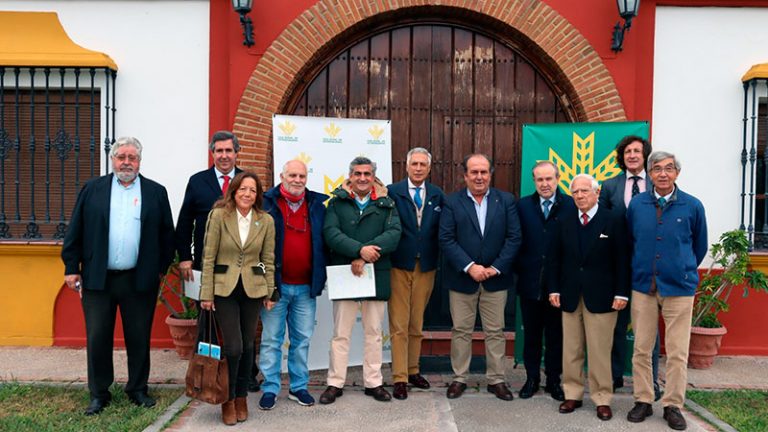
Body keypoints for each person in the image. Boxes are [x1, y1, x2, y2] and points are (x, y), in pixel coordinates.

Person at [61, 136, 174, 415]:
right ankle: (99, 393)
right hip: (99, 278)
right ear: (112, 160)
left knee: (138, 337)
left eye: (132, 157)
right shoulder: (93, 189)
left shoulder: (155, 192)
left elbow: (166, 236)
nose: (126, 162)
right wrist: (70, 267)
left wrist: (157, 269)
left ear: (139, 161)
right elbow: (75, 230)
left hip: (138, 280)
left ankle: (137, 389)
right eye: (121, 156)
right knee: (98, 336)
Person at [626, 151, 707, 431]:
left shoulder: (692, 206)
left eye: (668, 168)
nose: (663, 173)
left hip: (679, 288)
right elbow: (631, 242)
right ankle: (644, 399)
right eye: (657, 168)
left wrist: (681, 268)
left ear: (677, 173)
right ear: (649, 174)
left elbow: (699, 247)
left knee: (677, 351)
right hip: (643, 287)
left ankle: (673, 405)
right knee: (641, 348)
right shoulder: (637, 205)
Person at [439, 154, 521, 401]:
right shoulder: (452, 203)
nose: (479, 177)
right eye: (474, 172)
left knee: (495, 331)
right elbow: (446, 238)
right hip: (462, 279)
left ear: (490, 174)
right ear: (465, 175)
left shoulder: (505, 200)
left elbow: (514, 237)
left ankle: (496, 380)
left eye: (483, 172)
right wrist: (470, 266)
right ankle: (459, 378)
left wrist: (495, 268)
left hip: (495, 279)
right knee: (461, 331)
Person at [319, 156, 402, 404]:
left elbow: (394, 234)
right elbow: (331, 233)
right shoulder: (336, 203)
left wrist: (365, 257)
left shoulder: (388, 203)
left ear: (374, 177)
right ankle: (335, 383)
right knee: (340, 334)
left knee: (374, 333)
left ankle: (373, 383)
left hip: (376, 274)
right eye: (358, 174)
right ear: (351, 176)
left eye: (367, 174)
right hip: (346, 275)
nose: (362, 178)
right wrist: (359, 251)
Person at [548, 174, 629, 421]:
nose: (580, 196)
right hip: (570, 295)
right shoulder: (564, 220)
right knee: (571, 349)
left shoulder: (613, 219)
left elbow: (623, 260)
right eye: (575, 192)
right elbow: (554, 259)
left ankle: (602, 398)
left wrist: (621, 292)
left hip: (603, 296)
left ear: (596, 193)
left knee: (600, 351)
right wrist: (554, 289)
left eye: (585, 191)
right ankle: (572, 394)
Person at [199, 171, 276, 425]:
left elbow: (267, 261)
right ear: (233, 190)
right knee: (233, 346)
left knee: (248, 346)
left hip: (252, 289)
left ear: (257, 195)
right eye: (243, 189)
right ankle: (228, 399)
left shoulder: (265, 221)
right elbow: (208, 257)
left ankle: (242, 397)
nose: (247, 194)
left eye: (252, 190)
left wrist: (270, 289)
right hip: (224, 289)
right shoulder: (219, 216)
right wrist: (206, 293)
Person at [258, 160, 328, 410]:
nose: (297, 180)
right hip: (275, 288)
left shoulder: (318, 204)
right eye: (292, 175)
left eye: (302, 175)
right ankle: (270, 388)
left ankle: (299, 387)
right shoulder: (266, 202)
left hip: (306, 287)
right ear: (281, 176)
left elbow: (328, 239)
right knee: (271, 340)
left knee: (301, 340)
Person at [599, 135, 661, 399]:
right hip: (616, 266)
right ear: (621, 157)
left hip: (648, 266)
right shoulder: (610, 185)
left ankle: (651, 382)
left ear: (645, 155)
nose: (632, 155)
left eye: (637, 151)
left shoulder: (657, 184)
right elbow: (600, 221)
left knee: (649, 330)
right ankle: (613, 377)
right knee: (616, 324)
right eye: (627, 152)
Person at [387, 147, 445, 400]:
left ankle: (413, 370)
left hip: (426, 266)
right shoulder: (392, 192)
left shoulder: (437, 195)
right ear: (407, 166)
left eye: (423, 164)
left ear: (429, 168)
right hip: (399, 264)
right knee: (399, 323)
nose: (419, 168)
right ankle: (399, 377)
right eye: (415, 164)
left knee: (416, 323)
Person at [514, 161, 574, 402]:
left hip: (560, 285)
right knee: (532, 336)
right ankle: (531, 379)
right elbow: (516, 240)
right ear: (534, 181)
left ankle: (553, 381)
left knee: (557, 336)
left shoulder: (570, 204)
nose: (545, 184)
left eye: (549, 179)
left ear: (558, 179)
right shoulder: (523, 206)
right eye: (540, 179)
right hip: (530, 282)